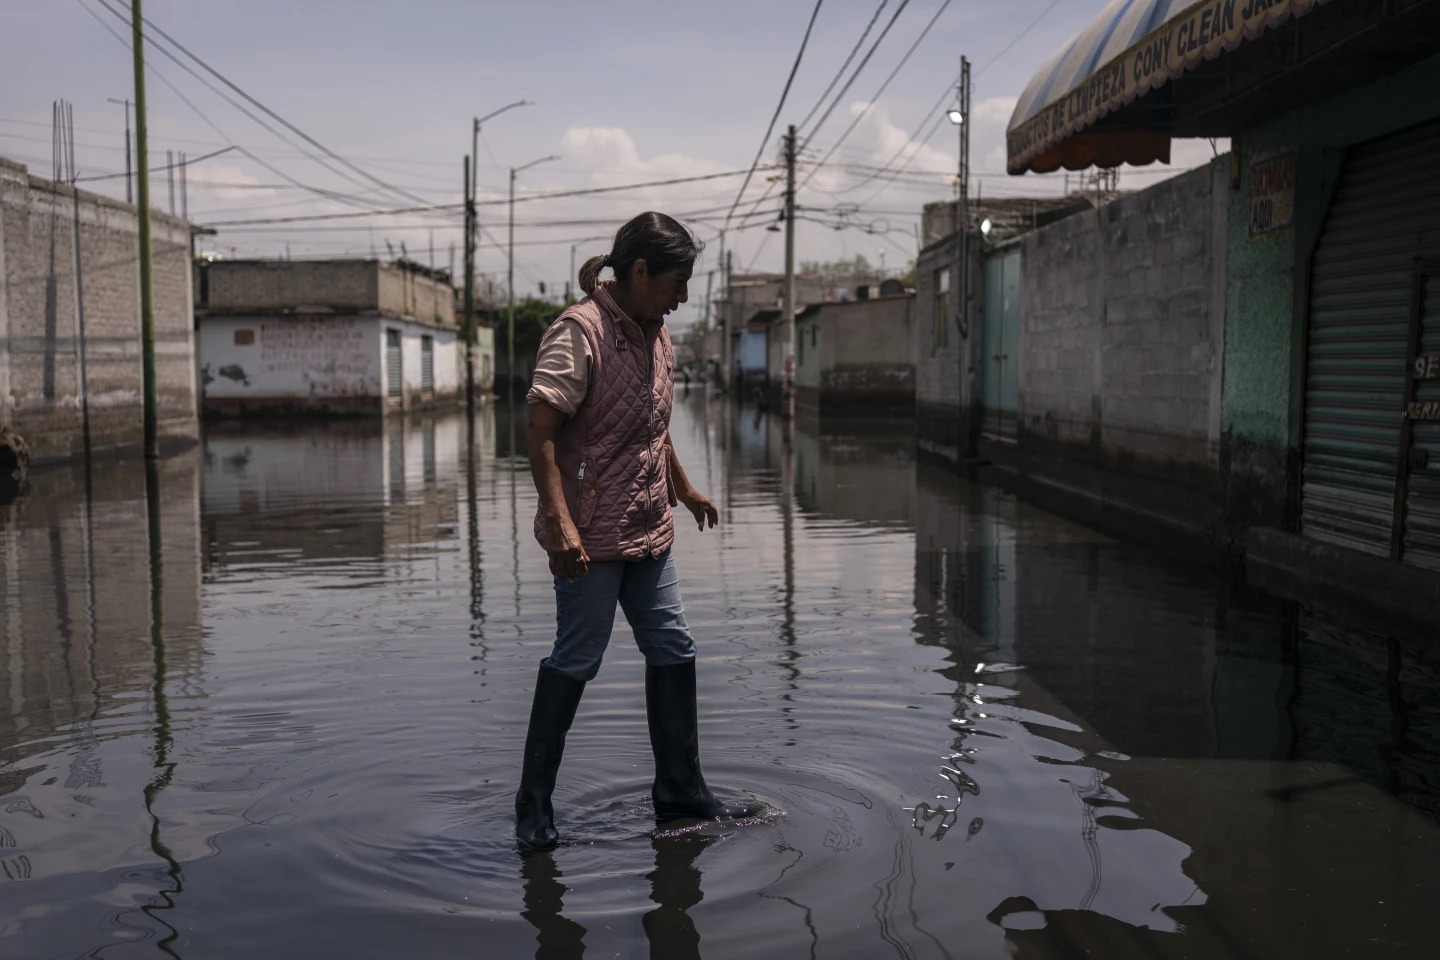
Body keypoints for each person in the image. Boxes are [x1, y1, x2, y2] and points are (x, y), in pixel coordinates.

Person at [515, 212, 760, 851]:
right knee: (578, 656)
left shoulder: (657, 334)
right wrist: (560, 523)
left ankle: (681, 793)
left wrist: (684, 488)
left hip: (650, 526)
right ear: (640, 271)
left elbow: (650, 425)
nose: (683, 299)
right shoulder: (579, 334)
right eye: (676, 284)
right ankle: (533, 806)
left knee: (674, 648)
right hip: (590, 534)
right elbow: (541, 432)